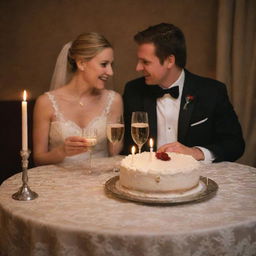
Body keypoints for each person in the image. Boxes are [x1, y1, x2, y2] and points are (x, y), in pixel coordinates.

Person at [122, 23, 245, 163]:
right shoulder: (133, 90)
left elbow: (235, 144)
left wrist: (196, 152)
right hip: (148, 179)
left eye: (145, 62)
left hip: (196, 179)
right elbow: (124, 146)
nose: (138, 67)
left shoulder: (212, 91)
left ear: (170, 61)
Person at [33, 32, 123, 165]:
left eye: (111, 65)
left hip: (100, 178)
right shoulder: (45, 103)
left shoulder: (114, 100)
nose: (110, 72)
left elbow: (114, 153)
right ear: (81, 63)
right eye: (104, 64)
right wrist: (62, 151)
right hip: (59, 181)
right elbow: (38, 160)